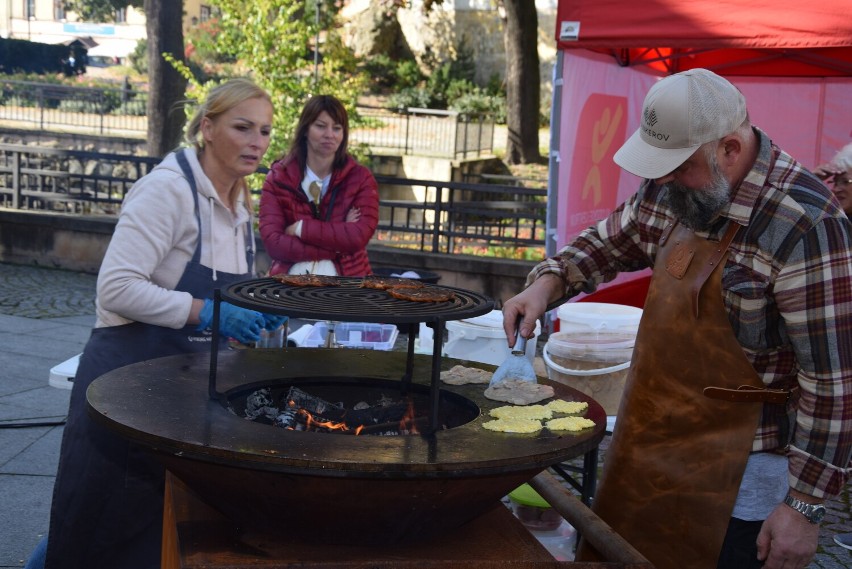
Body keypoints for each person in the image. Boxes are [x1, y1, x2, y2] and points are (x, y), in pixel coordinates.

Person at [502, 69, 852, 569]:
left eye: (679, 166)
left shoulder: (806, 226)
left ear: (729, 148)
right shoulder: (672, 189)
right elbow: (606, 243)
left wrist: (804, 508)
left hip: (740, 474)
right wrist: (547, 283)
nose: (663, 181)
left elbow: (835, 385)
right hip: (646, 446)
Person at [26, 78, 284, 569]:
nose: (257, 142)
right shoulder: (167, 192)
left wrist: (251, 308)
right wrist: (206, 310)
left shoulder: (240, 205)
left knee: (162, 533)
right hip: (122, 392)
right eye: (243, 127)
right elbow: (116, 288)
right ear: (207, 128)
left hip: (184, 399)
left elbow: (225, 293)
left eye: (266, 131)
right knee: (96, 529)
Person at [259, 94, 378, 277]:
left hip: (350, 288)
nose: (329, 135)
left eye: (337, 128)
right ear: (305, 129)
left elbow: (357, 237)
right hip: (287, 286)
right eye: (321, 126)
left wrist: (300, 229)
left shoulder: (360, 178)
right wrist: (338, 244)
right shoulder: (278, 177)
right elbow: (274, 244)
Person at [813, 142, 852, 216]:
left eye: (845, 182)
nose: (836, 189)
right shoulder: (829, 220)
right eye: (835, 182)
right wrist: (810, 183)